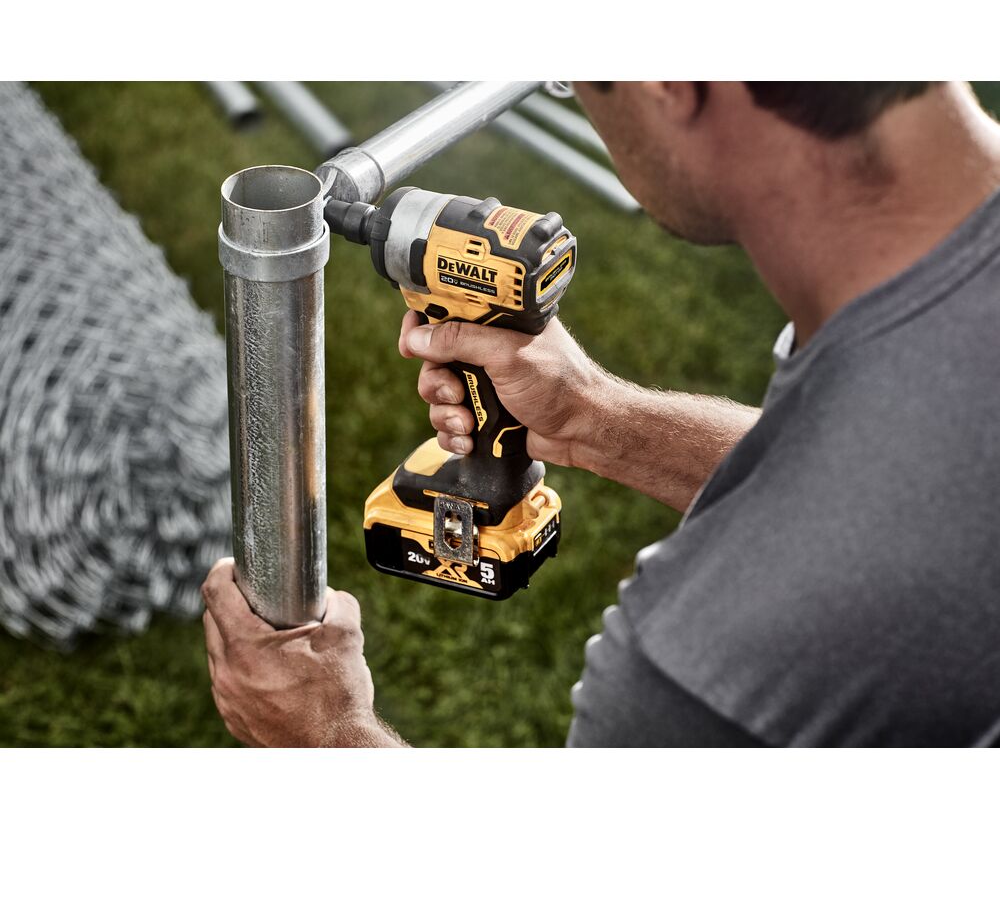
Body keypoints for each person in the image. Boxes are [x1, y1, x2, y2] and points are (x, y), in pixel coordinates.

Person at [203, 82, 1000, 747]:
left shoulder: (706, 674)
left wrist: (326, 732)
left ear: (666, 83)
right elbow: (888, 479)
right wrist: (592, 416)